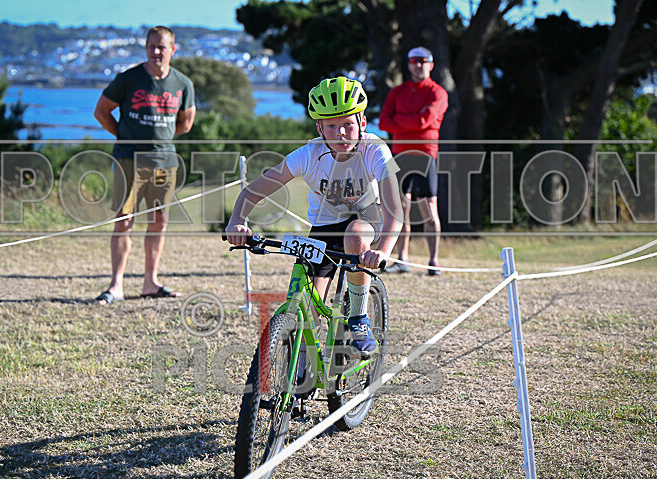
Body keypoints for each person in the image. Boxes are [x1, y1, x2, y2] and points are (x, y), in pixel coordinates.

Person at [226, 77, 402, 353]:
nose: (340, 133)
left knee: (354, 235)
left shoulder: (375, 150)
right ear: (319, 128)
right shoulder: (308, 154)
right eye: (331, 126)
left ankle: (358, 316)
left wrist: (383, 250)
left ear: (363, 123)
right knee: (308, 305)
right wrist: (237, 219)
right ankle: (303, 366)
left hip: (367, 217)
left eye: (347, 124)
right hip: (325, 225)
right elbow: (255, 190)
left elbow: (394, 208)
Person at [93, 26, 196, 305]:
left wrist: (159, 138)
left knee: (159, 221)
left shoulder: (182, 83)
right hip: (128, 159)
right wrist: (125, 136)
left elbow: (186, 123)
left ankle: (151, 282)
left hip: (164, 161)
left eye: (162, 47)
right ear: (146, 48)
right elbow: (101, 111)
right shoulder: (128, 79)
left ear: (173, 50)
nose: (156, 52)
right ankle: (116, 286)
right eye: (151, 46)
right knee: (124, 220)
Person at [378, 46, 448, 276]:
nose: (418, 65)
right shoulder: (397, 92)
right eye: (414, 61)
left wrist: (401, 121)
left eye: (423, 61)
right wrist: (414, 122)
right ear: (408, 64)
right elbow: (384, 123)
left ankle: (433, 261)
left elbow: (426, 119)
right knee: (400, 208)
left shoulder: (438, 93)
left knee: (430, 209)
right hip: (400, 154)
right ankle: (402, 259)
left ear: (431, 64)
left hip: (426, 154)